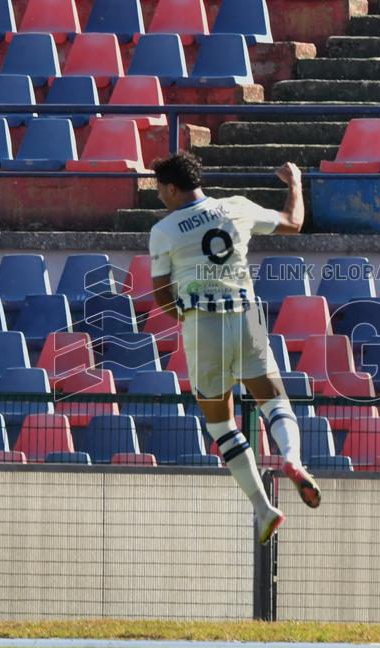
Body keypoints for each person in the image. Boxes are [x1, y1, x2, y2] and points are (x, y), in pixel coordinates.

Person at [148, 151, 321, 545]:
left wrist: (190, 319)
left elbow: (160, 296)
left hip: (202, 322)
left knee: (220, 422)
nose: (159, 196)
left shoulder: (164, 230)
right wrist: (294, 182)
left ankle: (263, 508)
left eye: (160, 189)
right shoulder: (236, 207)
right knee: (273, 399)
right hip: (246, 313)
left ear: (172, 188)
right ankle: (292, 458)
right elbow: (294, 224)